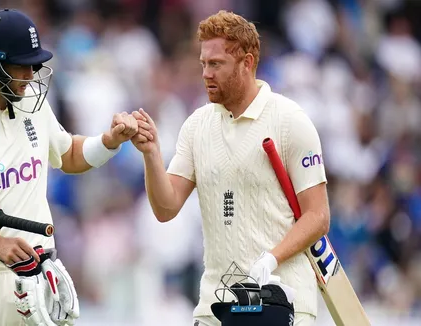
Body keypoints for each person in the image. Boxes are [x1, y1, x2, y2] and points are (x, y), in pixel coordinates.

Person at [0, 8, 146, 326]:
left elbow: (68, 155)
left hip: (40, 276)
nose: (30, 77)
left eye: (33, 67)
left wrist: (109, 141)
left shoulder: (34, 108)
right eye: (21, 67)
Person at [131, 10, 329, 326]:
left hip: (283, 301)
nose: (206, 73)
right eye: (203, 64)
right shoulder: (196, 126)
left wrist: (272, 257)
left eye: (216, 64)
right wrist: (151, 154)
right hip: (217, 305)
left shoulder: (291, 121)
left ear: (247, 63)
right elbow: (166, 208)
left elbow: (318, 217)